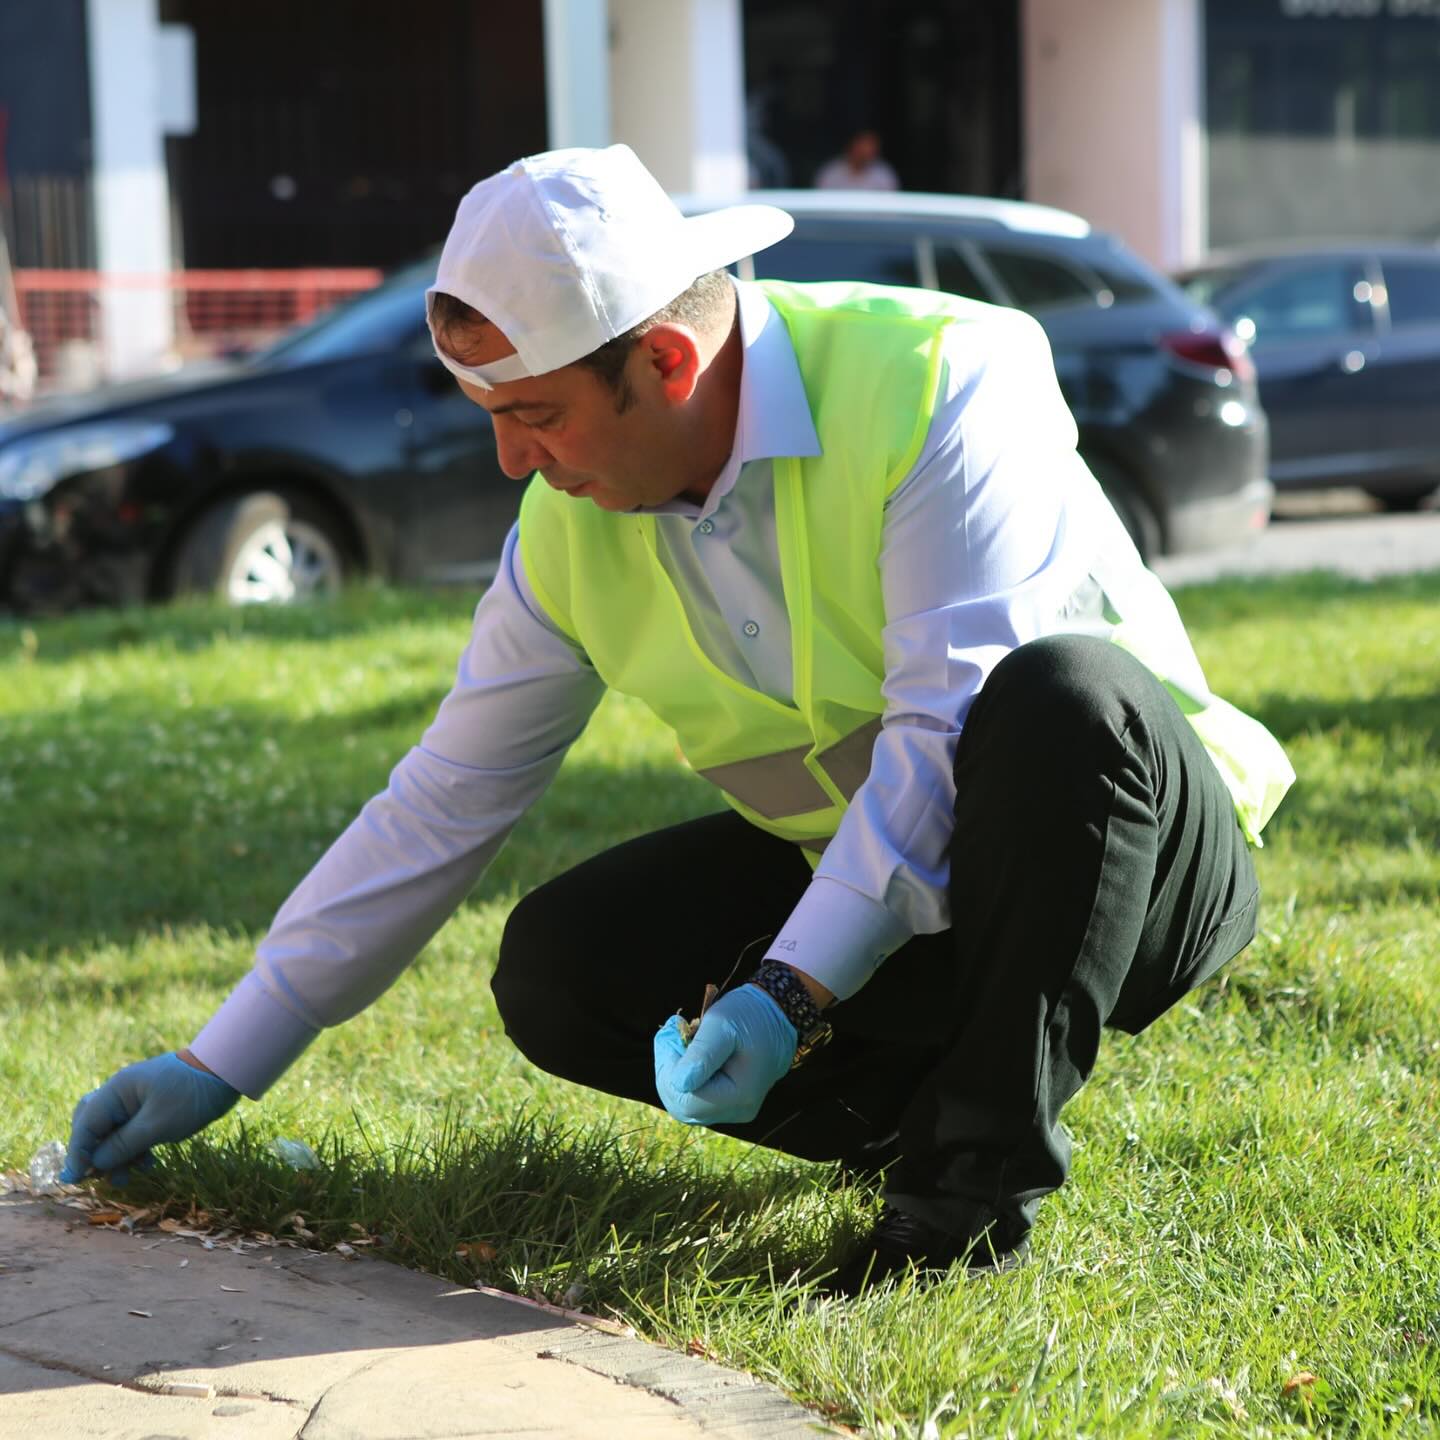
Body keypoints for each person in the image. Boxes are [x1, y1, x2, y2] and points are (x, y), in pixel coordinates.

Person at [60, 145, 1294, 1292]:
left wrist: (790, 991)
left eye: (534, 415)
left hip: (1133, 863)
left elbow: (947, 733)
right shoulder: (564, 532)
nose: (509, 461)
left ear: (665, 362)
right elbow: (447, 793)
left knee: (1057, 699)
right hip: (898, 897)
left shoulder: (940, 377)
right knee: (562, 964)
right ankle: (922, 1109)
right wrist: (223, 1057)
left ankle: (962, 1196)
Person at [813, 130, 899, 192]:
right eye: (862, 150)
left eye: (870, 151)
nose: (865, 154)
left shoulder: (884, 175)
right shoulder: (831, 173)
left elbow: (890, 210)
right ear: (852, 146)